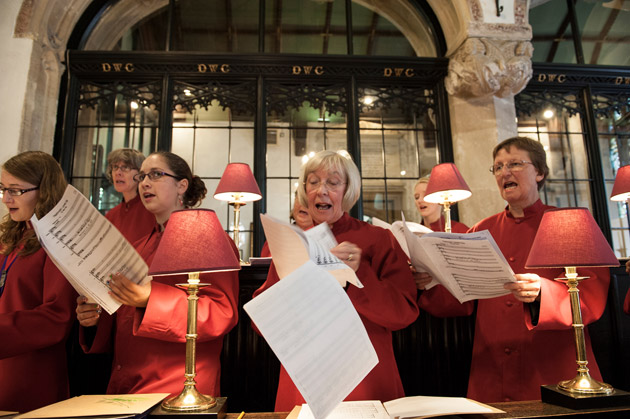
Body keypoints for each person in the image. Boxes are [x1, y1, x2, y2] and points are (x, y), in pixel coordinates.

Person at [416, 136, 610, 403]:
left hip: (552, 369)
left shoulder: (570, 224)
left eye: (515, 164)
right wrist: (431, 280)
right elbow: (461, 302)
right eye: (498, 167)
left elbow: (591, 297)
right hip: (491, 367)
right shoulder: (482, 230)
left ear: (540, 172)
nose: (504, 172)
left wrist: (544, 291)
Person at [254, 150, 419, 411]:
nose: (321, 190)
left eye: (333, 182)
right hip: (305, 374)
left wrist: (357, 274)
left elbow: (404, 312)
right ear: (304, 190)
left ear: (348, 190)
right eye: (313, 181)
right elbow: (261, 323)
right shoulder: (290, 242)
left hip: (364, 375)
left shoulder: (379, 238)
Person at [76, 151, 239, 396]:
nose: (144, 183)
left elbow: (220, 312)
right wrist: (96, 315)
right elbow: (124, 314)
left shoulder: (210, 240)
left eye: (156, 175)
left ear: (182, 185)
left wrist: (150, 299)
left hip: (178, 385)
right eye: (142, 177)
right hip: (126, 383)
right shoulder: (138, 245)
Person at [0, 151, 77, 412]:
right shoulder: (11, 236)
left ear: (44, 191)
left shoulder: (58, 241)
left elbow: (56, 317)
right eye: (2, 189)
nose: (6, 199)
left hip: (29, 371)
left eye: (16, 191)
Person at [103, 148, 154, 243]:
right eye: (115, 167)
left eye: (125, 167)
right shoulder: (111, 216)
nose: (118, 173)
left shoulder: (152, 211)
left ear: (140, 174)